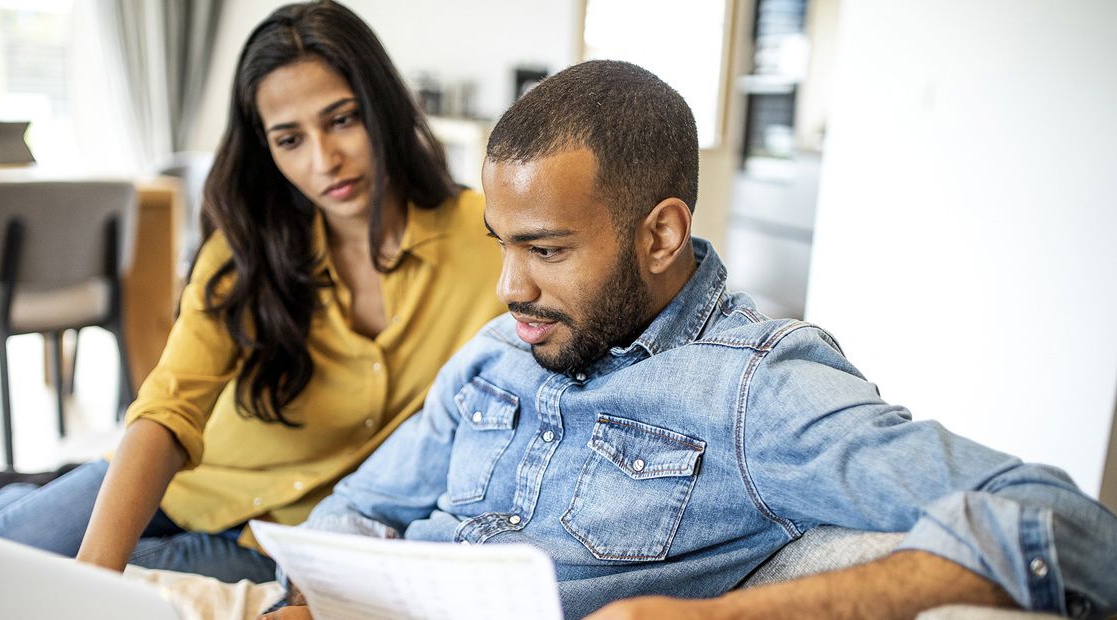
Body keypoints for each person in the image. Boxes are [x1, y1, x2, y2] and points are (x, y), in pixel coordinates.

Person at [263, 60, 1117, 619]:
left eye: (548, 250)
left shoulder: (755, 390)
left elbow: (1072, 528)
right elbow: (360, 507)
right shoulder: (497, 354)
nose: (508, 288)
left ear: (661, 236)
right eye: (504, 244)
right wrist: (310, 592)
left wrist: (709, 619)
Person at [0, 0, 505, 584]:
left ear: (383, 108)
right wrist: (93, 574)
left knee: (21, 590)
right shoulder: (247, 248)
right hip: (173, 485)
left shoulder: (488, 238)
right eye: (290, 140)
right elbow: (169, 406)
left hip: (278, 541)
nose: (325, 160)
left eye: (343, 120)